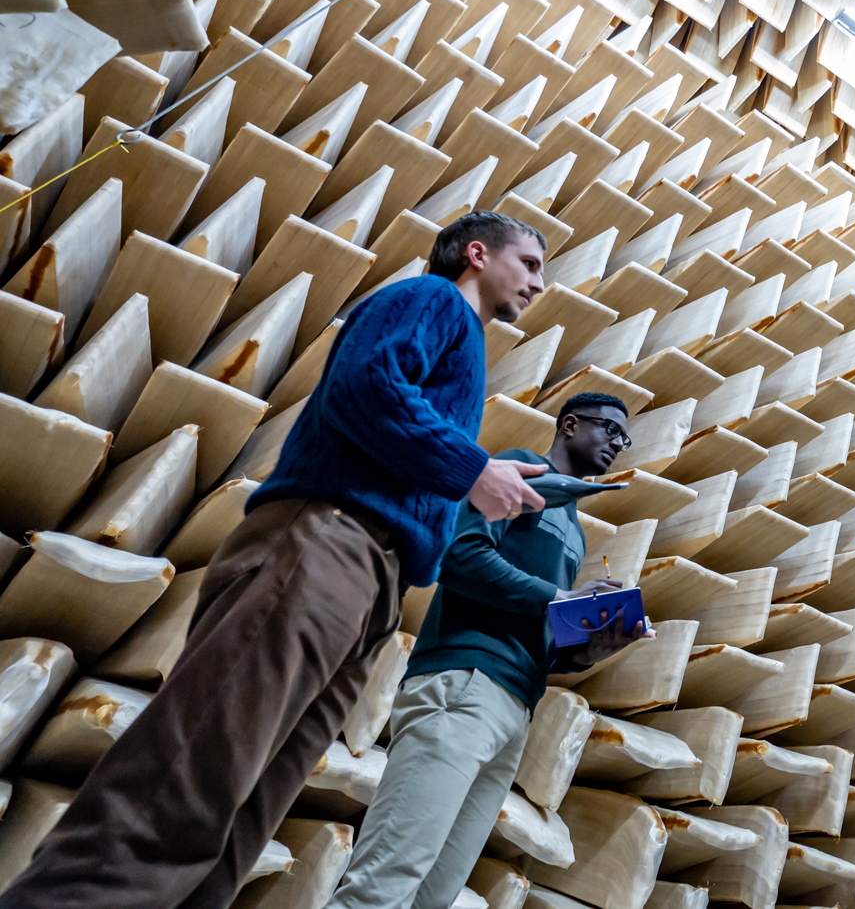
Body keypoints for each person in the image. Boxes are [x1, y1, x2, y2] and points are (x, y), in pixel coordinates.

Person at [0, 211, 553, 909]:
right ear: (478, 252)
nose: (540, 282)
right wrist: (472, 468)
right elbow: (365, 385)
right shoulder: (433, 298)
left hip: (367, 583)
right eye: (531, 263)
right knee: (186, 784)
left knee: (240, 823)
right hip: (325, 545)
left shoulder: (463, 339)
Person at [328, 391, 652, 909]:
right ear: (570, 425)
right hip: (465, 683)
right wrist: (563, 598)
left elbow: (542, 631)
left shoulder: (574, 530)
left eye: (624, 437)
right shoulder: (520, 471)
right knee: (385, 881)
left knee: (434, 894)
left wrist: (590, 648)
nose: (619, 443)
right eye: (610, 430)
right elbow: (461, 557)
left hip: (515, 710)